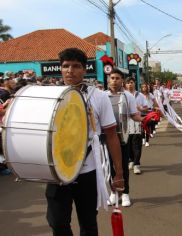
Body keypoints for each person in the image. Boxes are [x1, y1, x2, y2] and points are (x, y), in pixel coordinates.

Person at [46, 48, 124, 236]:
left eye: (76, 66)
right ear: (60, 68)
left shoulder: (98, 97)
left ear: (84, 69)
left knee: (88, 222)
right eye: (65, 66)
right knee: (57, 222)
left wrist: (119, 172)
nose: (70, 70)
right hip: (57, 170)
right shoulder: (50, 95)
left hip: (87, 170)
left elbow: (112, 135)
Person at [106, 69, 143, 207]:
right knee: (110, 167)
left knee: (122, 166)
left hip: (123, 137)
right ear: (108, 80)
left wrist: (144, 119)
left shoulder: (128, 96)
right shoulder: (103, 96)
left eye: (117, 78)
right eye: (112, 78)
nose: (114, 80)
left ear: (122, 80)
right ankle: (113, 193)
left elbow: (134, 115)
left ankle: (125, 192)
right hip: (107, 138)